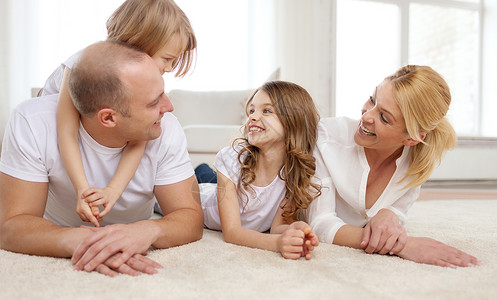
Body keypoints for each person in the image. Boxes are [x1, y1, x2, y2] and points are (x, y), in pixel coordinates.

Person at [0, 41, 203, 277]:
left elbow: (190, 216)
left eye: (163, 93)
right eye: (153, 102)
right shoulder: (32, 121)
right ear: (108, 118)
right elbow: (11, 226)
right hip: (55, 228)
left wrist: (149, 230)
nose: (169, 107)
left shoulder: (166, 128)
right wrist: (77, 240)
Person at [41, 0, 196, 227]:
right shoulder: (82, 64)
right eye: (167, 59)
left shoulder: (140, 82)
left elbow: (138, 136)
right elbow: (66, 132)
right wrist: (82, 189)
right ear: (141, 43)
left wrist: (113, 190)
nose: (170, 68)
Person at [307, 65, 480, 267]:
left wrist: (389, 215)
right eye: (372, 100)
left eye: (384, 117)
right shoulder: (326, 139)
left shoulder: (417, 162)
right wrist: (402, 246)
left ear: (412, 139)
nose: (366, 116)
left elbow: (398, 210)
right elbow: (319, 222)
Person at [200, 81, 321, 260]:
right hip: (199, 202)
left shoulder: (293, 173)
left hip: (223, 187)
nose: (253, 117)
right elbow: (232, 232)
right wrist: (277, 244)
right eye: (251, 110)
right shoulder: (232, 159)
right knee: (200, 177)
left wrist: (295, 229)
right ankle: (200, 169)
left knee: (208, 175)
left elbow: (276, 227)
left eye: (266, 111)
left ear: (293, 121)